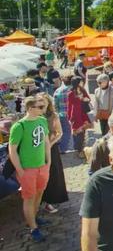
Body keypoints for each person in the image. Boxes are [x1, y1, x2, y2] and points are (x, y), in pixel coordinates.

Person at [8, 96, 51, 242]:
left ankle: (35, 216)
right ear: (30, 108)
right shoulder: (19, 126)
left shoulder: (42, 121)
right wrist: (20, 170)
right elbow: (12, 150)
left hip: (42, 167)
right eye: (40, 107)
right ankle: (33, 228)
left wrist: (48, 162)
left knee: (39, 194)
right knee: (29, 198)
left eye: (43, 106)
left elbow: (46, 142)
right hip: (28, 169)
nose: (43, 109)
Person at [36, 94, 68, 214]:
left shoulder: (53, 115)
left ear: (48, 102)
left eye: (43, 100)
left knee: (52, 174)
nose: (41, 103)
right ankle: (38, 201)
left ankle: (49, 201)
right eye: (38, 101)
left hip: (51, 148)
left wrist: (50, 143)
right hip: (37, 149)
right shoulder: (35, 115)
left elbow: (60, 132)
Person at [67, 76, 92, 159]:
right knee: (78, 133)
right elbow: (69, 106)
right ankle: (78, 150)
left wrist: (86, 99)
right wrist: (70, 117)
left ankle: (82, 150)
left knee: (84, 132)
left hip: (83, 113)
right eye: (80, 81)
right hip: (76, 114)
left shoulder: (82, 90)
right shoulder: (70, 93)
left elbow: (88, 98)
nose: (82, 83)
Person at [54, 71, 74, 153]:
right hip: (69, 114)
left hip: (60, 114)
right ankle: (62, 149)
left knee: (60, 131)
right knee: (67, 132)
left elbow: (55, 104)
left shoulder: (58, 90)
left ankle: (58, 146)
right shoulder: (73, 90)